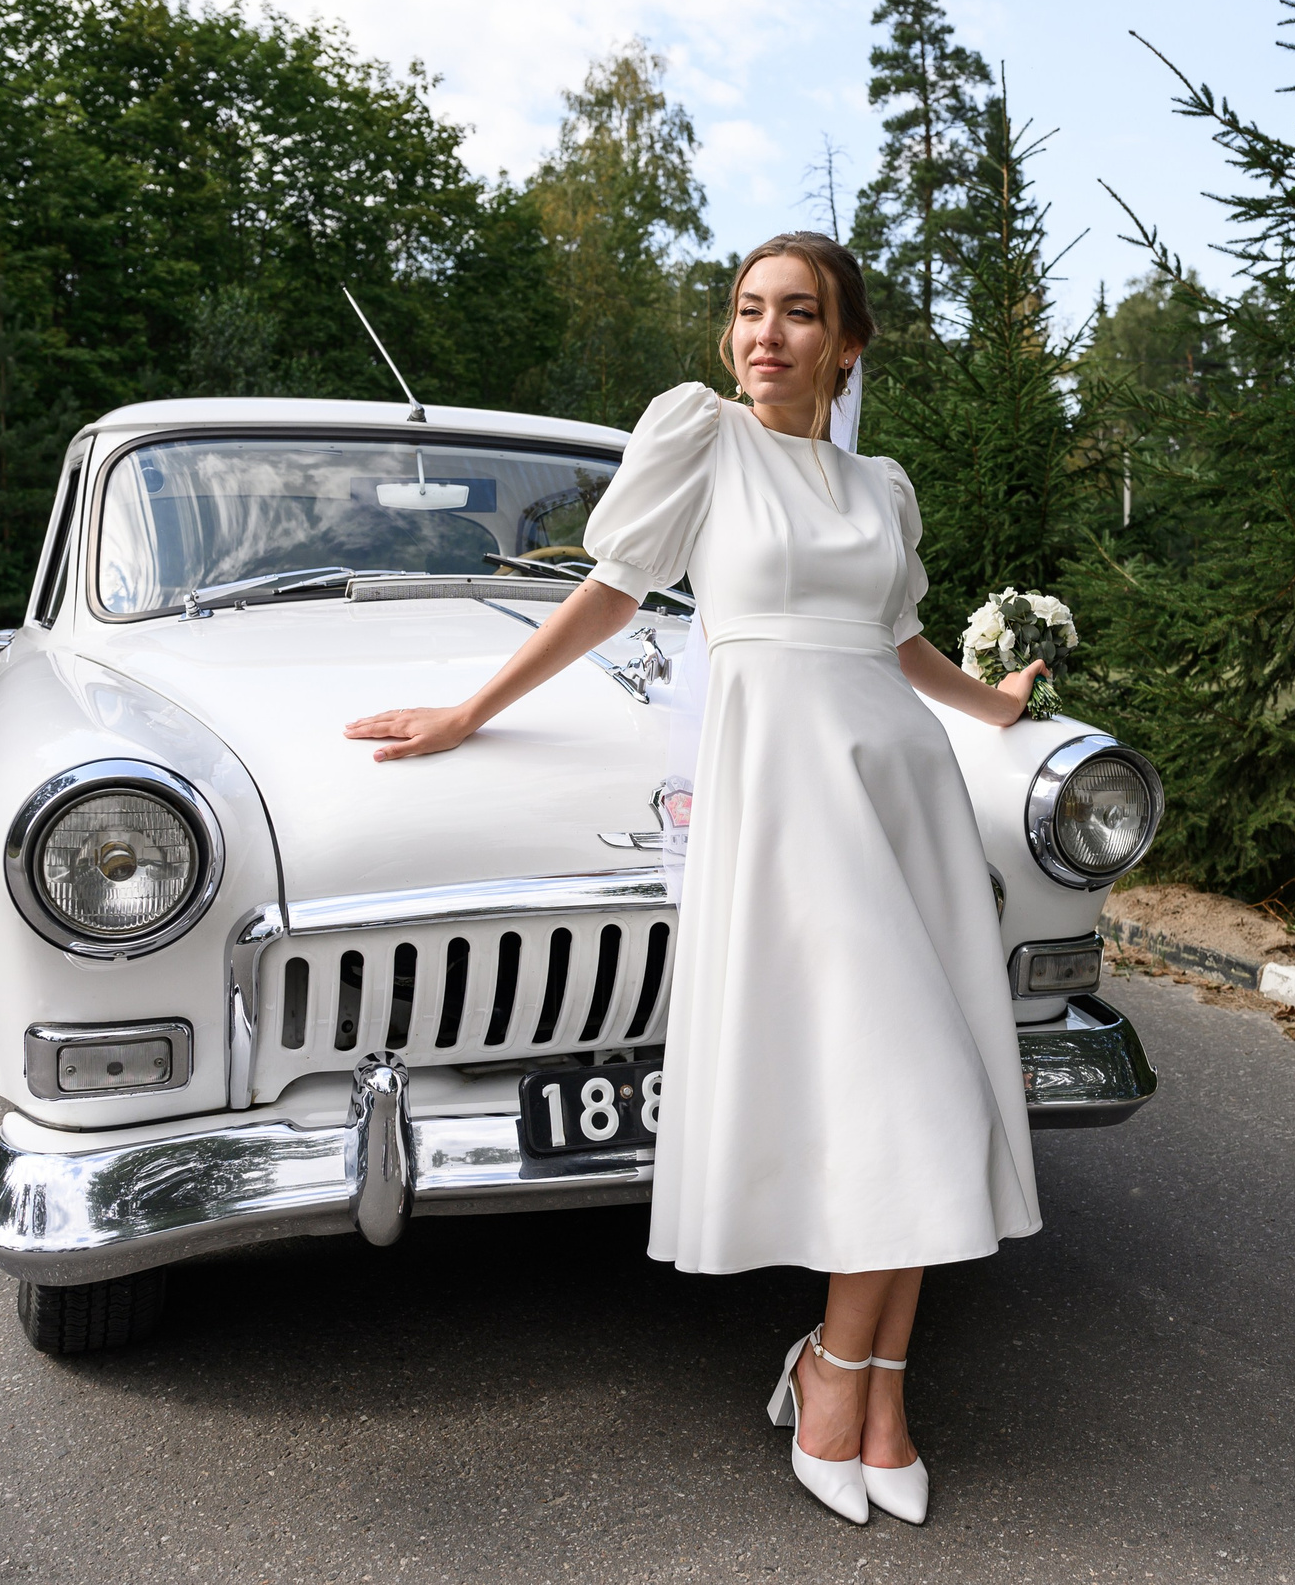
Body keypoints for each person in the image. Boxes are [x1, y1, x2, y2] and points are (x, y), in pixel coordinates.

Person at [343, 232, 1050, 1526]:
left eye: (797, 315)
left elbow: (899, 643)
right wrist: (466, 710)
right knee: (898, 1088)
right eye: (747, 311)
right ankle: (836, 1371)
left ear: (848, 344)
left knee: (927, 1088)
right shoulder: (703, 439)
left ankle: (874, 1381)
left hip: (901, 788)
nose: (764, 334)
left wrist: (992, 710)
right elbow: (611, 593)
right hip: (789, 797)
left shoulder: (880, 485)